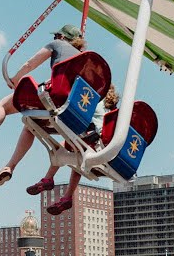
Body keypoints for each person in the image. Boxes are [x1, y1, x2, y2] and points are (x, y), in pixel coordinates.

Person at [0, 24, 87, 187]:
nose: (55, 39)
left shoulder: (58, 45)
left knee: (3, 105)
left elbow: (30, 64)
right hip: (72, 109)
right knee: (31, 125)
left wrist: (15, 79)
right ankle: (9, 167)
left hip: (53, 98)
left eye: (56, 37)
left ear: (63, 37)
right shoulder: (85, 59)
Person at [26, 86, 118, 215]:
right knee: (79, 163)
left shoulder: (94, 100)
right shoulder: (110, 106)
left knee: (62, 148)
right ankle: (67, 196)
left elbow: (77, 117)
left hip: (93, 141)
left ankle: (48, 178)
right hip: (100, 145)